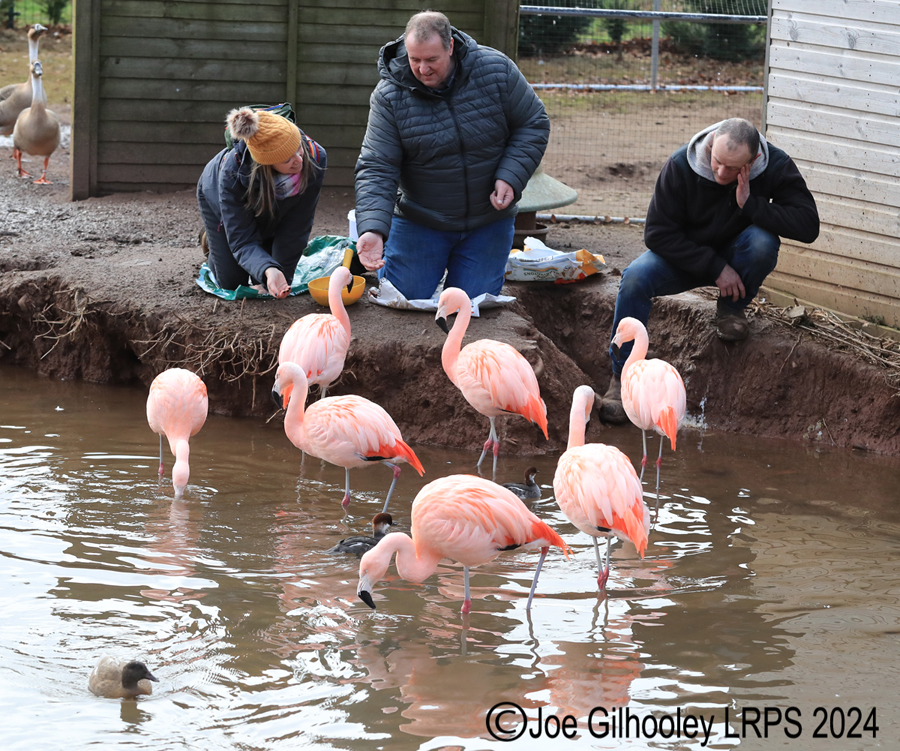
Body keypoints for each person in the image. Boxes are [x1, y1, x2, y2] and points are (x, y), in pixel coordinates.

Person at [600, 117, 820, 423]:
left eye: (733, 168)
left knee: (762, 243)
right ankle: (621, 378)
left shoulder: (775, 165)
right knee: (636, 276)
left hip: (737, 256)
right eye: (717, 161)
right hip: (684, 258)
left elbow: (809, 226)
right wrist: (715, 267)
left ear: (754, 160)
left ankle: (731, 310)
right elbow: (657, 234)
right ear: (712, 140)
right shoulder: (680, 165)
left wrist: (751, 205)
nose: (720, 172)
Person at [353, 10, 549, 301]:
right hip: (421, 219)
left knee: (472, 308)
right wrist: (372, 228)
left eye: (432, 60)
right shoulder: (389, 96)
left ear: (451, 47)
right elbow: (377, 165)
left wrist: (511, 176)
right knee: (405, 300)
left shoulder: (496, 70)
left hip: (488, 220)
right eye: (414, 59)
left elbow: (533, 122)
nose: (422, 69)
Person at [197, 107, 326, 298]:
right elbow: (243, 240)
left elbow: (297, 226)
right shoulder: (233, 173)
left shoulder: (315, 156)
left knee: (267, 276)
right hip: (217, 199)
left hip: (271, 203)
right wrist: (266, 268)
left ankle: (263, 240)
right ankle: (214, 240)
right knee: (232, 283)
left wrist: (278, 275)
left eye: (298, 149)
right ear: (267, 164)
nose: (299, 160)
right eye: (287, 159)